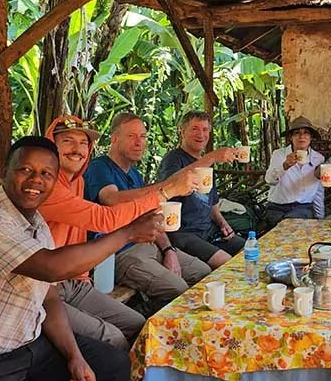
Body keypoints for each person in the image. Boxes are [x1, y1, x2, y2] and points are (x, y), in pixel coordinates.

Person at [0, 136, 165, 381]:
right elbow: (51, 268)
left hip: (22, 346)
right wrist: (127, 233)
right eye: (26, 170)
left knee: (111, 364)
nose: (36, 179)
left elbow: (48, 297)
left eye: (47, 173)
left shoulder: (36, 223)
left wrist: (74, 356)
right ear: (5, 171)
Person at [38, 115, 199, 350]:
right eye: (67, 141)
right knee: (113, 337)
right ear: (50, 147)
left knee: (137, 323)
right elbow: (105, 219)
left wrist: (167, 248)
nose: (77, 149)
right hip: (44, 289)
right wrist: (168, 190)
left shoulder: (78, 182)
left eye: (84, 143)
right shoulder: (49, 186)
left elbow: (79, 233)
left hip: (75, 280)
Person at [84, 112, 211, 306]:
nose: (139, 142)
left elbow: (150, 216)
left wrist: (168, 250)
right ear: (114, 138)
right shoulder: (99, 167)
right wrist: (166, 188)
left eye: (142, 136)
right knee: (178, 290)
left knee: (204, 274)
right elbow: (112, 199)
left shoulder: (134, 174)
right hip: (119, 253)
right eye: (131, 136)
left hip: (150, 245)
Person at [157, 110, 245, 269]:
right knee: (227, 264)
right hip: (182, 234)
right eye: (195, 129)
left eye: (205, 130)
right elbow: (168, 185)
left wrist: (223, 224)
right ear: (182, 132)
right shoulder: (174, 158)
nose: (201, 134)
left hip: (208, 230)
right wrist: (211, 158)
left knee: (250, 250)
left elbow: (212, 203)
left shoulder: (204, 163)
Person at [264, 116, 325, 226]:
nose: (301, 136)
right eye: (297, 133)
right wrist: (285, 166)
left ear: (311, 137)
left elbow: (318, 190)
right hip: (276, 208)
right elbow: (269, 180)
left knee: (289, 227)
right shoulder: (279, 154)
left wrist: (320, 217)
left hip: (302, 208)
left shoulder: (318, 158)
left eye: (306, 133)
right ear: (291, 137)